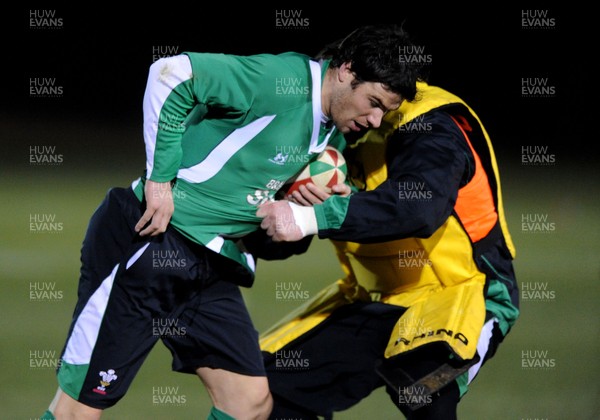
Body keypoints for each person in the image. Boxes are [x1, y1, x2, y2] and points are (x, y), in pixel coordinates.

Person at [39, 24, 423, 420]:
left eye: (386, 112)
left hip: (212, 262)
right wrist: (160, 179)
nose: (376, 119)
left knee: (249, 403)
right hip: (149, 242)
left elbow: (271, 235)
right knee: (79, 410)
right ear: (345, 70)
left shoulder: (336, 141)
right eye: (373, 101)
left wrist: (300, 212)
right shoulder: (281, 81)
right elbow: (171, 74)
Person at [257, 74, 520, 418]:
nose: (375, 117)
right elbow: (279, 244)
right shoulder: (334, 127)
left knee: (422, 390)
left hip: (463, 293)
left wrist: (314, 218)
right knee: (265, 389)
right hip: (374, 298)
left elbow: (418, 209)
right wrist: (284, 206)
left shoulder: (432, 125)